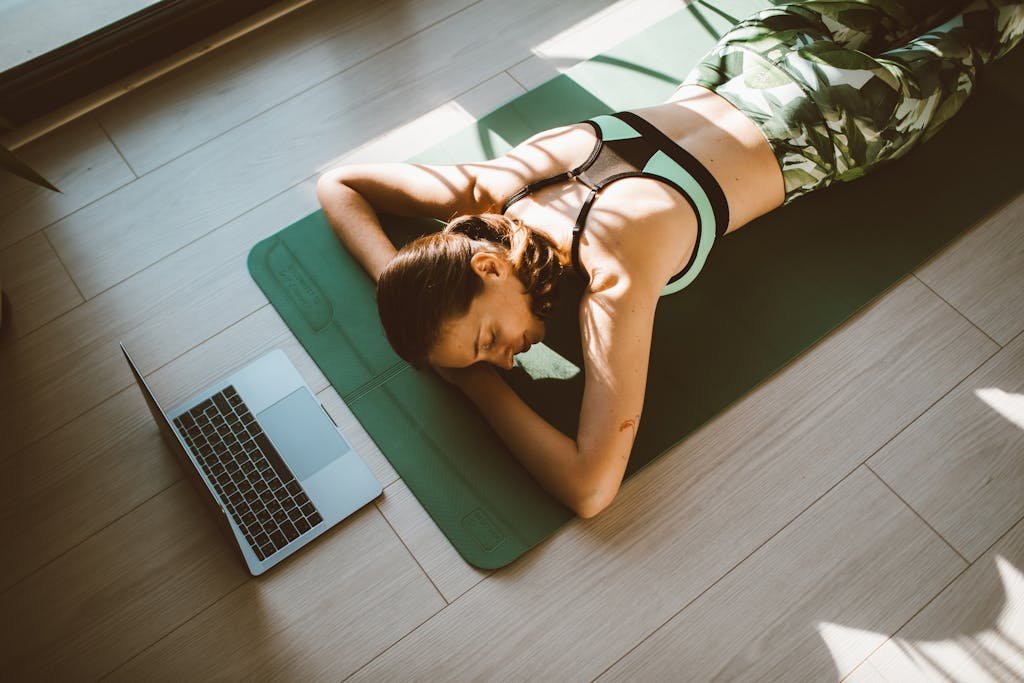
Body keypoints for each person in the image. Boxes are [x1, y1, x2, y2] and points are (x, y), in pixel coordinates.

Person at [317, 0, 1024, 518]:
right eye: (490, 361)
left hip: (839, 113)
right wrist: (402, 283)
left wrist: (473, 387)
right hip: (757, 52)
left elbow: (592, 487)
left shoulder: (614, 274)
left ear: (486, 268)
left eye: (488, 340)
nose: (506, 359)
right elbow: (339, 183)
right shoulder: (499, 181)